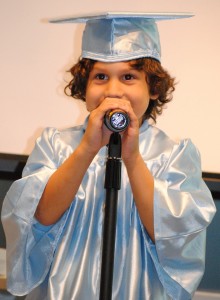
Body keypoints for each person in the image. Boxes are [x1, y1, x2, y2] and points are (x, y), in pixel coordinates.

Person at [1, 12, 216, 300]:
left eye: (128, 77)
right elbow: (40, 216)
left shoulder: (174, 155)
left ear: (153, 88)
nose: (113, 90)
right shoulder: (56, 145)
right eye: (100, 76)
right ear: (84, 86)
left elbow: (172, 236)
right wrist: (88, 149)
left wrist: (133, 158)